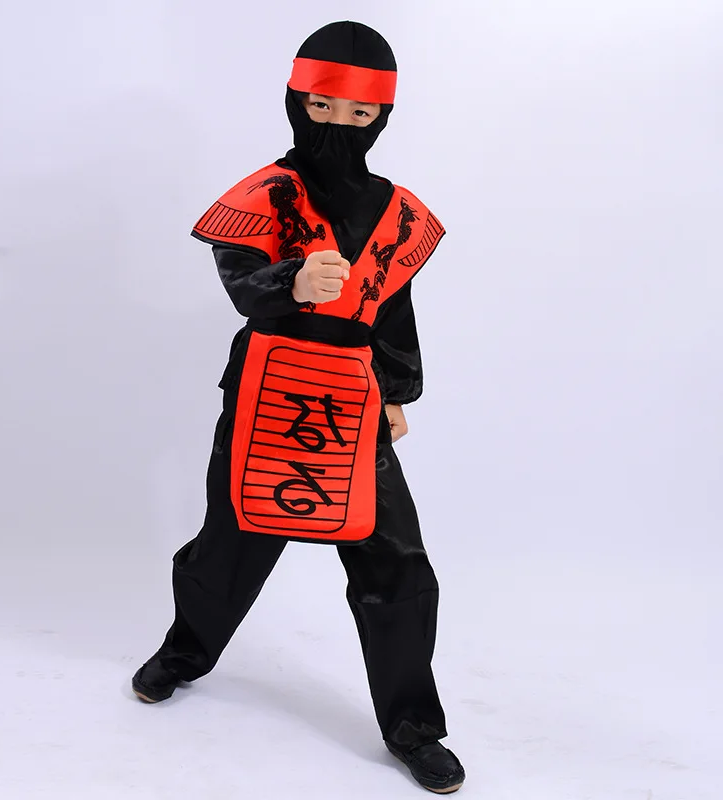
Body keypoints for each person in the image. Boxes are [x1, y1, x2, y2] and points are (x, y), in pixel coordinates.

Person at [132, 20, 466, 794]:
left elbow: (393, 308)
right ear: (296, 101)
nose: (338, 124)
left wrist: (396, 391)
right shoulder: (263, 196)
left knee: (396, 561)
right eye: (321, 107)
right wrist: (291, 283)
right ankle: (185, 652)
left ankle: (413, 727)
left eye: (359, 113)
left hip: (353, 398)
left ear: (381, 116)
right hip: (267, 391)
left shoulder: (397, 211)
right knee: (231, 543)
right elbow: (240, 283)